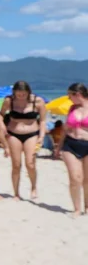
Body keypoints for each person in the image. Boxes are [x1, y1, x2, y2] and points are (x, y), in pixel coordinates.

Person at [0, 81, 47, 200]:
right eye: (18, 94)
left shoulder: (37, 101)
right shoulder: (9, 101)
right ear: (14, 92)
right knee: (16, 165)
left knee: (30, 164)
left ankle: (33, 187)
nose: (21, 96)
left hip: (32, 134)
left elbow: (42, 120)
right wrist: (2, 127)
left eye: (24, 94)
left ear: (28, 92)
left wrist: (41, 137)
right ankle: (16, 193)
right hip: (13, 134)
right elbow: (0, 115)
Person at [61, 83, 88, 215]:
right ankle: (77, 208)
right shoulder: (72, 108)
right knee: (75, 178)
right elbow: (66, 128)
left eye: (70, 95)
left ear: (77, 94)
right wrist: (59, 146)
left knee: (87, 180)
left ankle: (87, 206)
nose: (69, 98)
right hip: (70, 144)